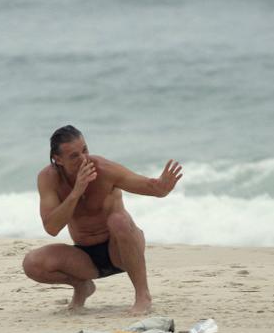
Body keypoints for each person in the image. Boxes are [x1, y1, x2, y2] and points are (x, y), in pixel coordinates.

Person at [22, 125, 182, 314]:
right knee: (32, 263)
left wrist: (162, 187)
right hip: (86, 259)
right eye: (74, 156)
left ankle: (142, 295)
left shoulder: (104, 170)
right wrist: (76, 192)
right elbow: (51, 227)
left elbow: (151, 188)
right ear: (58, 159)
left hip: (122, 249)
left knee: (118, 220)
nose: (83, 159)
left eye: (85, 150)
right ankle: (82, 286)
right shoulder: (48, 178)